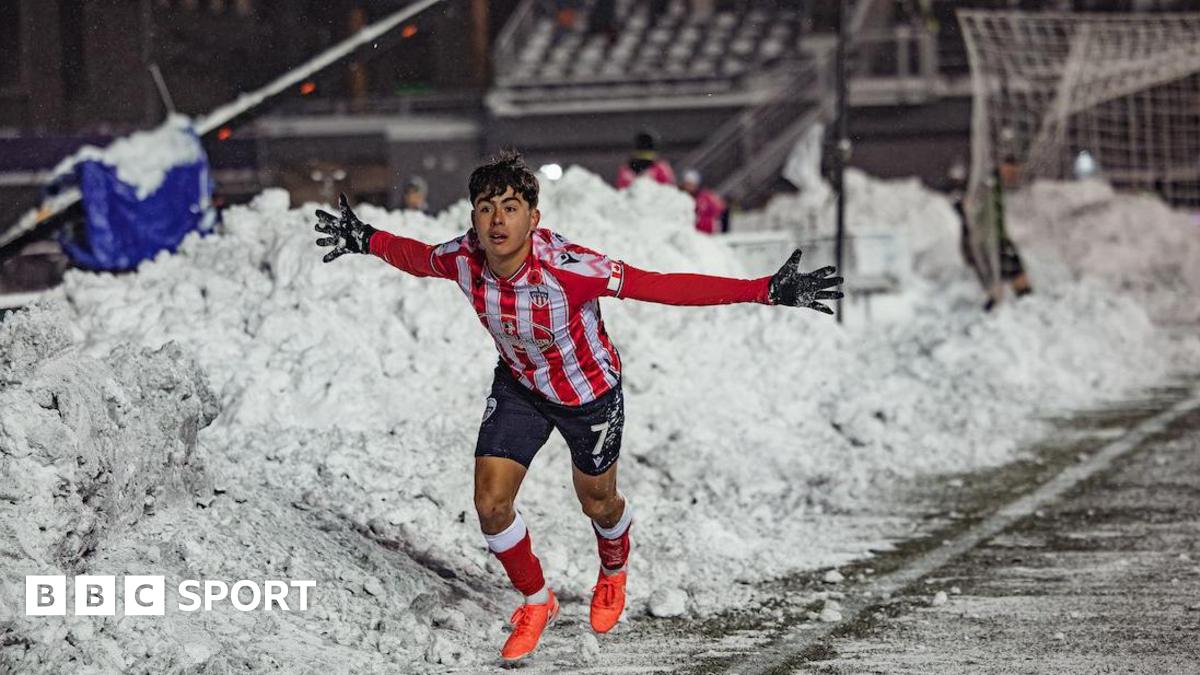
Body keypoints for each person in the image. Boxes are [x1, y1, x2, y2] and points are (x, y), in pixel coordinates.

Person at [313, 152, 842, 662]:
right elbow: (417, 257)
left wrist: (763, 290)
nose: (497, 220)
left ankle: (613, 568)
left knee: (598, 502)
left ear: (533, 217)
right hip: (520, 388)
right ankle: (537, 602)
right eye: (486, 208)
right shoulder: (463, 257)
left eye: (511, 208)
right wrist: (364, 238)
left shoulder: (568, 267)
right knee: (491, 504)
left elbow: (658, 286)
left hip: (589, 396)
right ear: (472, 216)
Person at [680, 169, 727, 235]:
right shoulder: (680, 196)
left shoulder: (706, 197)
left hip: (706, 231)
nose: (689, 187)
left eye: (691, 184)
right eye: (687, 184)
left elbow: (721, 208)